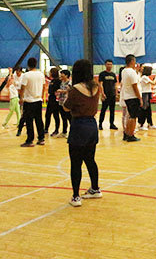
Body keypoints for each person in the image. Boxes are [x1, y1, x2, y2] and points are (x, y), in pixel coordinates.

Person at [63, 59, 103, 207]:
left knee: (76, 163)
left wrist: (67, 96)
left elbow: (66, 107)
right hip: (92, 125)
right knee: (90, 159)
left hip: (79, 126)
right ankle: (95, 188)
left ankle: (76, 196)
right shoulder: (96, 87)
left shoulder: (75, 89)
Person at [19, 57, 46, 147]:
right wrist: (41, 96)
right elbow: (44, 86)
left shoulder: (26, 75)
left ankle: (30, 140)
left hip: (29, 101)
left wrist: (21, 98)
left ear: (28, 65)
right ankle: (41, 138)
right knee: (39, 120)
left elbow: (22, 88)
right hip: (38, 101)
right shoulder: (41, 74)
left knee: (29, 121)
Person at [121, 55, 142, 142]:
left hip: (127, 96)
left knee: (130, 116)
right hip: (133, 97)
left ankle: (126, 133)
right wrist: (139, 98)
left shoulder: (124, 71)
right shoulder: (132, 72)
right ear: (132, 61)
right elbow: (135, 86)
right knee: (133, 117)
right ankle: (131, 135)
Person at [98, 59, 118, 130]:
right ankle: (100, 124)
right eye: (108, 64)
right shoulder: (102, 74)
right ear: (105, 65)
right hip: (106, 95)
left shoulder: (113, 74)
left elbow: (115, 84)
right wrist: (102, 93)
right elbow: (100, 84)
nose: (109, 66)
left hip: (112, 95)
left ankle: (112, 124)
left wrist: (116, 93)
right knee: (103, 110)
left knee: (112, 110)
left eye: (110, 64)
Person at [44, 67, 61, 137]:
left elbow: (56, 90)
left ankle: (56, 130)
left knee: (56, 115)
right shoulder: (52, 80)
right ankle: (46, 129)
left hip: (55, 100)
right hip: (50, 99)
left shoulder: (58, 81)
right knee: (47, 115)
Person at [138, 66, 156, 130]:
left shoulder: (146, 77)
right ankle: (141, 124)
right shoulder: (144, 77)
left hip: (148, 93)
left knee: (148, 109)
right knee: (144, 109)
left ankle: (150, 123)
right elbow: (153, 83)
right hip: (145, 94)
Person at [58, 69, 72, 138]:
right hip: (61, 101)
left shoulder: (70, 82)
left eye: (62, 74)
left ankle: (72, 132)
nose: (61, 75)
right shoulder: (61, 82)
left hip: (67, 102)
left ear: (66, 75)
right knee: (63, 118)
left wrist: (62, 91)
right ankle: (64, 132)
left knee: (69, 118)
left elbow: (69, 91)